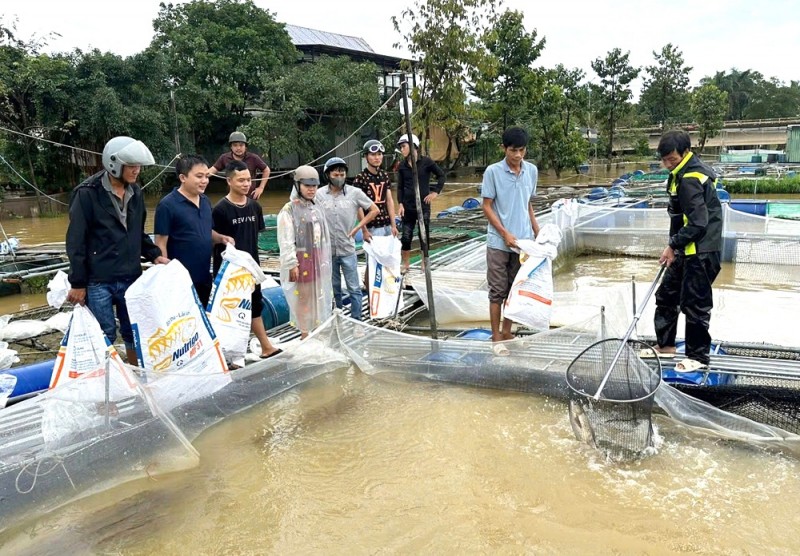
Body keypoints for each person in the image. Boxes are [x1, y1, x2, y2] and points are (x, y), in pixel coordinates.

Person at [66, 136, 169, 364]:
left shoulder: (136, 192)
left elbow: (137, 233)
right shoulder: (87, 193)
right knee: (104, 334)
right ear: (114, 163)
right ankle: (106, 379)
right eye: (131, 166)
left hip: (130, 275)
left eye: (138, 165)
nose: (136, 170)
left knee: (134, 331)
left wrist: (155, 255)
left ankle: (136, 374)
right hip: (98, 279)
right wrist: (78, 282)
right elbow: (76, 241)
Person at [650, 130, 723, 372]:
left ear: (686, 152)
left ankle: (698, 356)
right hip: (685, 248)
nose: (667, 164)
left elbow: (699, 223)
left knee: (695, 305)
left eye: (672, 159)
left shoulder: (691, 178)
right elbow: (680, 218)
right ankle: (666, 346)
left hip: (701, 252)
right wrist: (675, 246)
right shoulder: (680, 173)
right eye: (664, 160)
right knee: (666, 296)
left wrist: (672, 245)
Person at [211, 160, 281, 358]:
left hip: (251, 268)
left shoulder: (254, 207)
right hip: (229, 272)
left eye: (249, 180)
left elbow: (254, 236)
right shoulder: (220, 210)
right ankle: (229, 355)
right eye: (241, 180)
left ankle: (266, 346)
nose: (246, 184)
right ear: (229, 181)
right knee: (229, 311)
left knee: (255, 305)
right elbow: (211, 238)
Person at [481, 127, 540, 352]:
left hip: (522, 243)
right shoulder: (493, 172)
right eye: (513, 150)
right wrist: (504, 232)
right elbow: (487, 206)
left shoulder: (531, 171)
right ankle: (496, 338)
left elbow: (527, 203)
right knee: (497, 291)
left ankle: (507, 332)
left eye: (522, 150)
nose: (518, 155)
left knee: (516, 290)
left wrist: (536, 230)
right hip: (498, 242)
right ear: (504, 148)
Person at [154, 155, 234, 307]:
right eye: (199, 176)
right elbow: (160, 243)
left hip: (204, 276)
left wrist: (221, 238)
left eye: (206, 176)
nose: (205, 181)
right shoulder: (167, 205)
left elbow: (205, 231)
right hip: (180, 282)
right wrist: (166, 276)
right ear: (183, 177)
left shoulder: (205, 201)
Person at [316, 157, 379, 320]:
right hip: (328, 250)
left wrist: (359, 227)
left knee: (354, 288)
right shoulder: (319, 194)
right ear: (328, 175)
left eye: (342, 174)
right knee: (334, 287)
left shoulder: (354, 193)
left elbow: (374, 210)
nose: (339, 177)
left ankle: (356, 320)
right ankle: (337, 317)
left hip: (347, 249)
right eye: (335, 174)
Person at [277, 165, 332, 339]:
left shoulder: (317, 206)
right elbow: (286, 240)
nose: (311, 189)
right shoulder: (289, 209)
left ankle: (317, 328)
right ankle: (304, 332)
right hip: (301, 258)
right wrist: (292, 264)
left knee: (318, 295)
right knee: (304, 296)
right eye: (307, 185)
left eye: (314, 185)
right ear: (297, 185)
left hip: (318, 257)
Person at [396, 133, 446, 272]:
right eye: (401, 147)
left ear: (413, 146)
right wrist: (400, 204)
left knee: (423, 235)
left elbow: (441, 175)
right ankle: (406, 264)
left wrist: (435, 192)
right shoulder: (402, 166)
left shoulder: (426, 162)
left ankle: (424, 262)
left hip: (423, 205)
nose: (402, 150)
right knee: (406, 236)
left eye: (404, 146)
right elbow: (400, 187)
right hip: (407, 206)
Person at [353, 139, 398, 288]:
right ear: (366, 157)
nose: (377, 157)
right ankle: (369, 289)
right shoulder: (360, 178)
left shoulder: (384, 175)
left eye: (379, 154)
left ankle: (386, 289)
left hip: (386, 224)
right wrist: (364, 230)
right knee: (372, 261)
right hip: (372, 226)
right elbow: (358, 207)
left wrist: (393, 224)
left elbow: (389, 200)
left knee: (388, 259)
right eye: (373, 155)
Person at [208, 131, 270, 200]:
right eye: (235, 145)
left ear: (245, 147)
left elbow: (266, 170)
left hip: (250, 197)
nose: (238, 148)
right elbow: (212, 170)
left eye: (241, 145)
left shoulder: (253, 158)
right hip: (232, 197)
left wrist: (261, 188)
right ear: (231, 147)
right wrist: (201, 174)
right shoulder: (224, 158)